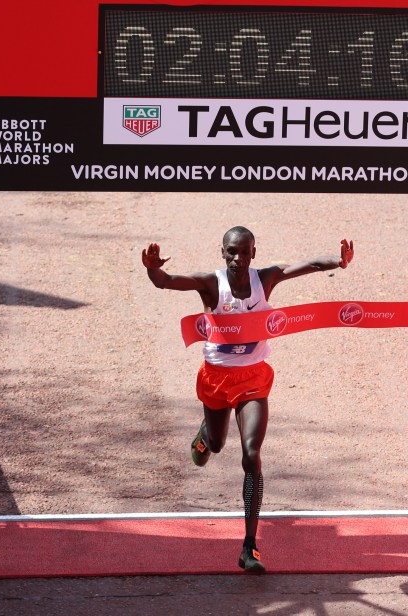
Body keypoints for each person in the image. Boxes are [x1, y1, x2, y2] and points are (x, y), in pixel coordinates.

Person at [142, 226, 354, 573]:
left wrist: (340, 261)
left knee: (252, 453)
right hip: (217, 379)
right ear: (222, 253)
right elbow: (167, 281)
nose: (238, 259)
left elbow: (309, 265)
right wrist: (152, 268)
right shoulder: (211, 284)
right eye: (231, 252)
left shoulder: (264, 280)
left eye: (244, 252)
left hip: (253, 378)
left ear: (253, 253)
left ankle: (249, 546)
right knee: (218, 442)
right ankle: (205, 437)